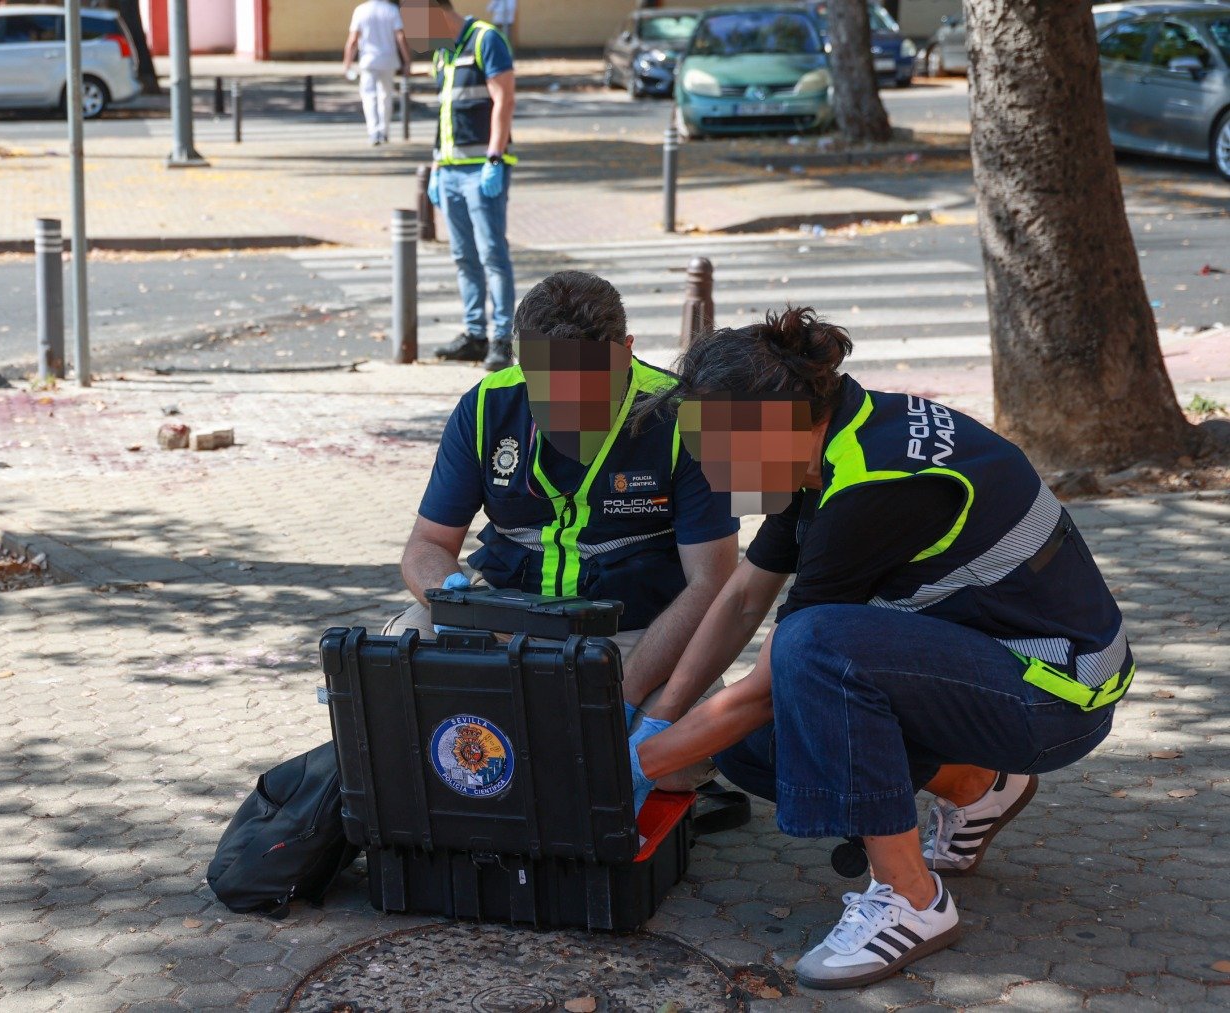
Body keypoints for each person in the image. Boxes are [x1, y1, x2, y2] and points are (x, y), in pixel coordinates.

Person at [628, 308, 1131, 990]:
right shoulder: (827, 442)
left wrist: (628, 767)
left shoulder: (872, 484)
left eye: (721, 454)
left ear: (779, 428)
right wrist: (658, 718)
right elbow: (746, 595)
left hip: (1058, 693)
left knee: (812, 647)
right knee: (749, 748)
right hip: (994, 662)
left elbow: (780, 671)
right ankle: (977, 784)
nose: (713, 475)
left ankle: (913, 900)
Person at [391, 271, 741, 753]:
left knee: (676, 757)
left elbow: (712, 585)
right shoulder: (485, 407)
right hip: (502, 628)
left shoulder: (687, 417)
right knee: (403, 650)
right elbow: (427, 544)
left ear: (626, 352)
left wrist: (622, 697)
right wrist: (454, 602)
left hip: (638, 639)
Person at [401, 0, 518, 372]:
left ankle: (501, 338)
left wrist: (494, 158)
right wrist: (436, 166)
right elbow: (445, 114)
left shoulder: (487, 40)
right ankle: (474, 334)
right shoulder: (442, 54)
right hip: (450, 169)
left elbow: (504, 99)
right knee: (463, 256)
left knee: (491, 255)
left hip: (480, 170)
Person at [344, 0, 410, 146]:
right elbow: (400, 36)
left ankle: (373, 132)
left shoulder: (361, 10)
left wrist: (347, 63)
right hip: (388, 59)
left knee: (369, 96)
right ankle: (384, 131)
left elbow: (353, 39)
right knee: (386, 96)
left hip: (368, 60)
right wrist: (406, 61)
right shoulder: (391, 10)